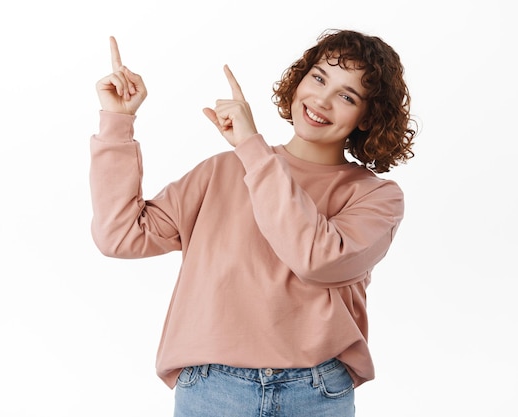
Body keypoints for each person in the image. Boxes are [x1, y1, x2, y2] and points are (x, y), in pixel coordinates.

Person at [89, 29, 415, 417]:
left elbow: (316, 258)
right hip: (212, 391)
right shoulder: (221, 171)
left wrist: (251, 148)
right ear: (299, 80)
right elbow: (119, 235)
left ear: (367, 117)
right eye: (318, 77)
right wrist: (117, 120)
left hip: (315, 394)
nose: (322, 100)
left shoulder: (376, 197)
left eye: (347, 96)